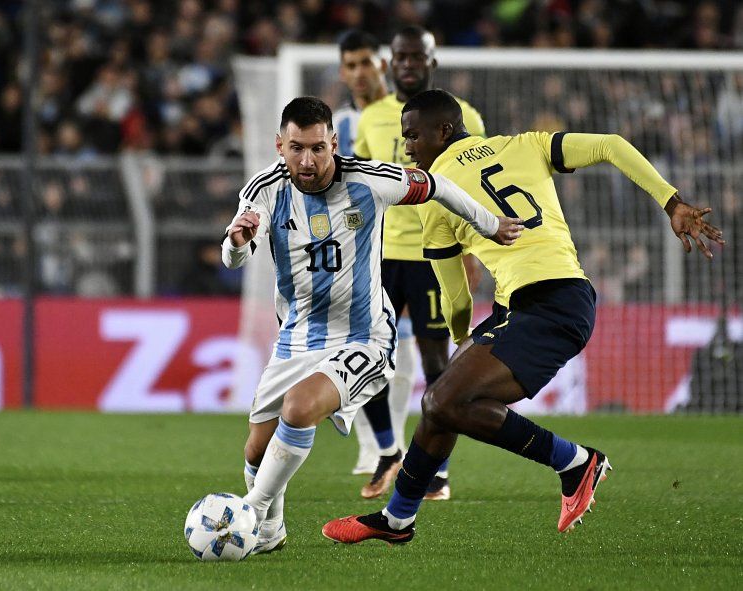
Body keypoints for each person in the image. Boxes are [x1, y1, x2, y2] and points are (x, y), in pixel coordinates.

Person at [322, 89, 724, 543]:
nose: (407, 147)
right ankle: (397, 519)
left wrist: (461, 335)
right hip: (550, 299)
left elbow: (453, 293)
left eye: (413, 135)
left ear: (445, 131)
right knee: (441, 407)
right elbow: (611, 144)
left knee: (441, 401)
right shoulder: (526, 144)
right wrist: (671, 202)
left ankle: (574, 462)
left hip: (548, 306)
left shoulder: (436, 195)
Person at [223, 96, 522, 554]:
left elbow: (438, 185)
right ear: (280, 145)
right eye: (297, 148)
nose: (308, 160)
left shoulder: (370, 180)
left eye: (318, 148)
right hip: (297, 336)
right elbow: (237, 250)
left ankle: (249, 512)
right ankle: (269, 531)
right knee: (255, 453)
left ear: (334, 143)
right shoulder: (263, 189)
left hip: (364, 334)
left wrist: (487, 224)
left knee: (300, 408)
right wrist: (237, 243)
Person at [351, 25, 487, 501]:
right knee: (362, 356)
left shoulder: (463, 115)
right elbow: (360, 186)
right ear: (391, 62)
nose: (408, 64)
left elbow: (473, 190)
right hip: (380, 256)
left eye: (417, 56)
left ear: (433, 60)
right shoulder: (371, 118)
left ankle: (438, 471)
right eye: (401, 56)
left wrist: (469, 253)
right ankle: (388, 452)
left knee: (437, 364)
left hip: (435, 254)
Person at [333, 29, 418, 477]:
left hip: (412, 247)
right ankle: (373, 448)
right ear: (342, 72)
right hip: (359, 250)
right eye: (350, 65)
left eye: (366, 62)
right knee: (362, 349)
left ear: (382, 65)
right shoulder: (339, 127)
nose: (359, 72)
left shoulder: (413, 114)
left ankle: (394, 444)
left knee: (403, 348)